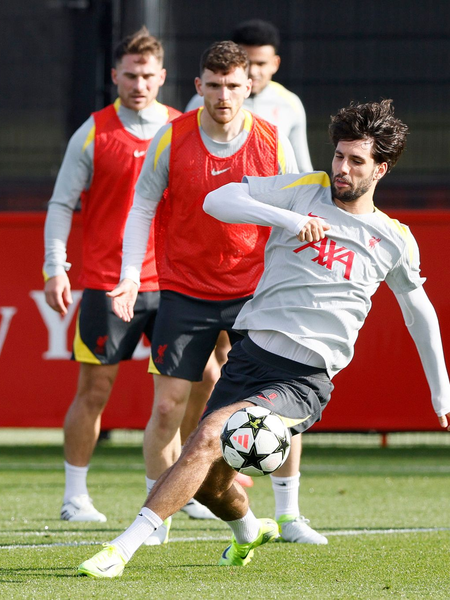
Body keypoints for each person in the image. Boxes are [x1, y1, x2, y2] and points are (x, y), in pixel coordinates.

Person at [78, 99, 450, 578]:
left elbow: (418, 310)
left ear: (381, 168)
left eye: (356, 161)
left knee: (209, 436)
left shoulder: (393, 238)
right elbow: (217, 201)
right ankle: (250, 532)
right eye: (338, 156)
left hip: (304, 379)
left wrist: (440, 389)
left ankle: (122, 548)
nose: (342, 168)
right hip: (251, 357)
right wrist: (291, 222)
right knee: (211, 482)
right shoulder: (304, 191)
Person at [105, 40, 308, 545]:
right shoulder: (172, 138)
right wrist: (132, 274)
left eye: (234, 85)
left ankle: (289, 516)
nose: (224, 95)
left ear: (250, 86)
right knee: (170, 407)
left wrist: (293, 283)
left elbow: (298, 212)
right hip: (183, 290)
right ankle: (159, 515)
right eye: (213, 85)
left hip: (254, 293)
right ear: (198, 87)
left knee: (276, 407)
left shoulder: (272, 140)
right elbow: (142, 208)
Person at [44, 27, 207, 524]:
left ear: (163, 77)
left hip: (175, 283)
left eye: (148, 75)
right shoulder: (93, 132)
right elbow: (61, 203)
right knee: (95, 390)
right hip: (107, 280)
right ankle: (75, 496)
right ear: (116, 76)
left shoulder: (185, 128)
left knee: (192, 387)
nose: (139, 83)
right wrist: (55, 266)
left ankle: (182, 488)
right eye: (130, 75)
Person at [183, 19, 322, 543]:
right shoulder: (195, 119)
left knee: (282, 381)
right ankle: (205, 485)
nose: (250, 78)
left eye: (260, 67)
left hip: (264, 274)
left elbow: (304, 177)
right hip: (202, 274)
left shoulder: (284, 111)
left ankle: (289, 514)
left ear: (270, 68)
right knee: (206, 384)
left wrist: (303, 238)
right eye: (246, 66)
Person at [185, 19, 312, 171]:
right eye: (248, 63)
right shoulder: (202, 101)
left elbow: (301, 170)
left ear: (275, 63)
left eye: (261, 63)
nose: (253, 71)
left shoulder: (290, 104)